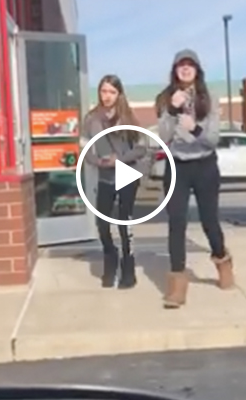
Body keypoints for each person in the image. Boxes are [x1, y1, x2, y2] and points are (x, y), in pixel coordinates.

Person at [155, 49, 234, 309]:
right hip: (176, 165)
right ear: (175, 70)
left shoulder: (209, 97)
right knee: (176, 221)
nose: (186, 69)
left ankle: (223, 261)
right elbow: (163, 136)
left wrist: (195, 128)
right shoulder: (166, 97)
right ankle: (178, 286)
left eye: (190, 65)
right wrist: (171, 109)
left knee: (209, 220)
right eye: (181, 65)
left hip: (204, 165)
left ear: (197, 70)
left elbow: (212, 139)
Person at [82, 74, 146, 289]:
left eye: (112, 92)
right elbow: (84, 148)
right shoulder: (91, 119)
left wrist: (120, 159)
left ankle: (128, 268)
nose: (107, 96)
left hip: (127, 173)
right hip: (105, 175)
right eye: (104, 91)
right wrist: (98, 161)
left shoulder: (128, 118)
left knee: (124, 222)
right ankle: (110, 257)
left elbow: (141, 148)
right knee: (102, 223)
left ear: (119, 94)